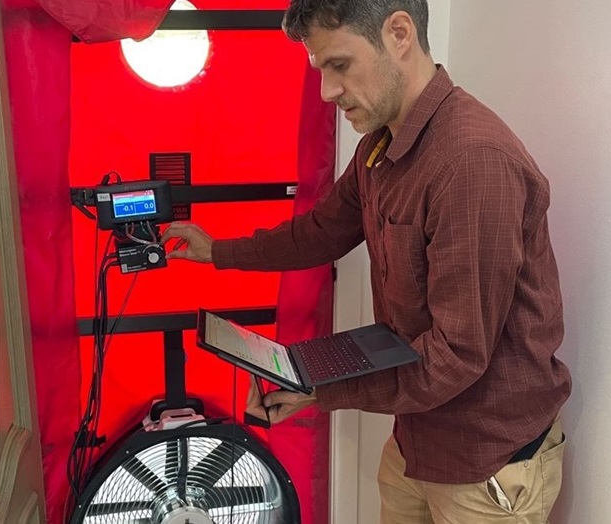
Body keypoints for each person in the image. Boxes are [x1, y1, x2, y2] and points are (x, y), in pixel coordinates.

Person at [161, 1, 572, 522]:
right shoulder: (381, 144)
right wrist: (216, 251)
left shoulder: (472, 164)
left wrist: (319, 389)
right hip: (415, 440)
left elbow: (456, 357)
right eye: (320, 70)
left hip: (487, 465)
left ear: (399, 33)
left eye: (340, 65)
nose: (328, 91)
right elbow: (319, 233)